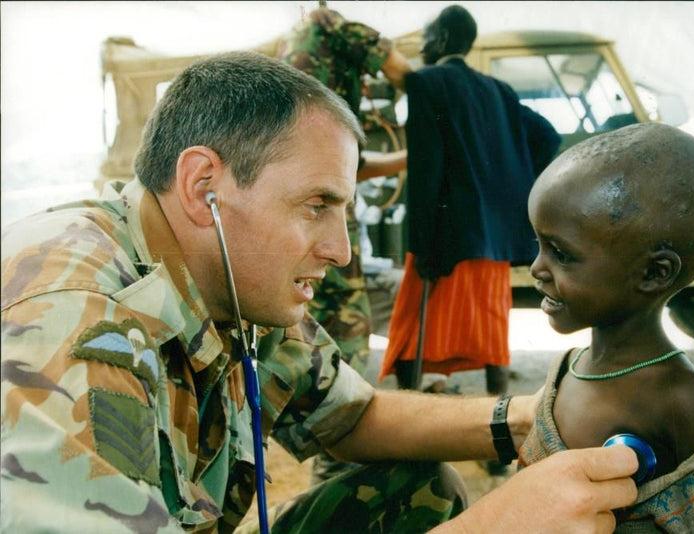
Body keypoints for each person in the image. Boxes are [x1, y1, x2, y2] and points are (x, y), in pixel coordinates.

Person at [0, 51, 639, 533]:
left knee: (409, 489)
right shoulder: (72, 330)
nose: (342, 250)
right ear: (204, 189)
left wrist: (531, 418)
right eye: (316, 205)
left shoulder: (229, 274)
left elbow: (350, 415)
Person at [520, 122, 694, 532]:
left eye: (561, 254)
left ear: (654, 272)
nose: (536, 269)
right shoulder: (569, 368)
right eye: (539, 246)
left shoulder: (680, 398)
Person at [379, 6, 561, 400]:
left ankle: (407, 416)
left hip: (446, 235)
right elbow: (547, 136)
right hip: (490, 238)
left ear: (442, 40)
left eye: (426, 36)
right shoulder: (500, 91)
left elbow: (426, 169)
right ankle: (499, 433)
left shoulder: (426, 83)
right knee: (491, 329)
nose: (422, 45)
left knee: (413, 325)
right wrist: (514, 181)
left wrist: (422, 244)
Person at [277, 5, 412, 484]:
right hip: (320, 224)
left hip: (297, 220)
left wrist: (405, 157)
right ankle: (335, 474)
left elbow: (342, 163)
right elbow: (406, 73)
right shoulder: (328, 25)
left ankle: (331, 465)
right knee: (347, 343)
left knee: (314, 342)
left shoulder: (292, 49)